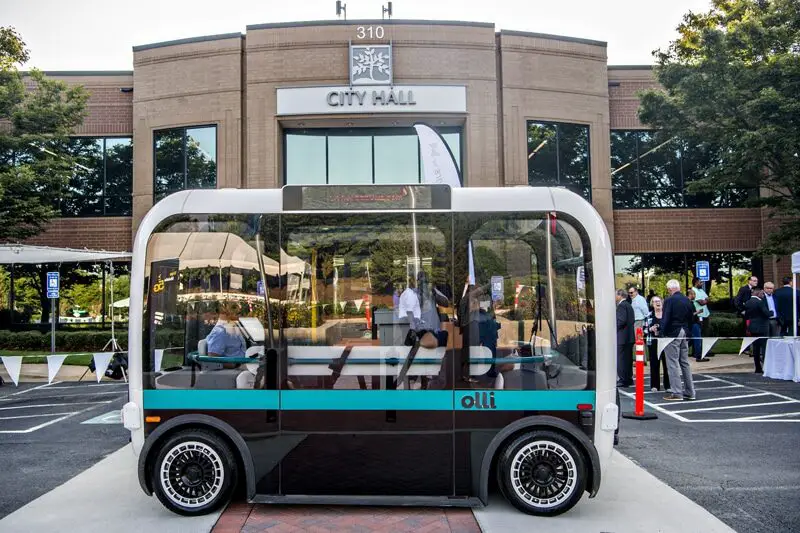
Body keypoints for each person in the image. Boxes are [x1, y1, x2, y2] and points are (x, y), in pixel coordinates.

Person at [661, 279, 696, 401]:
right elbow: (691, 318)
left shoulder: (669, 300)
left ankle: (677, 392)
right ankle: (690, 391)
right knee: (684, 362)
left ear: (670, 289)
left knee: (672, 363)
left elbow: (666, 318)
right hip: (684, 331)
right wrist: (689, 332)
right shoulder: (687, 300)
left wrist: (662, 332)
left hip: (673, 332)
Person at [645, 296, 670, 392]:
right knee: (654, 363)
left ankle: (668, 386)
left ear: (662, 303)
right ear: (652, 304)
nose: (657, 303)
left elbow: (671, 327)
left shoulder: (666, 315)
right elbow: (644, 329)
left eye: (659, 301)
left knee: (667, 364)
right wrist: (650, 329)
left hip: (665, 341)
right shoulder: (649, 315)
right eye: (655, 302)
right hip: (653, 342)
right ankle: (654, 385)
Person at [745, 289, 770, 374]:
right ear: (758, 293)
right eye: (762, 293)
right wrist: (771, 312)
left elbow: (746, 314)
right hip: (762, 327)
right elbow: (766, 313)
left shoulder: (748, 302)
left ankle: (757, 367)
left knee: (756, 348)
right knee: (764, 346)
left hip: (752, 326)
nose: (763, 295)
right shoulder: (760, 302)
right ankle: (766, 366)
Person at [616, 288, 635, 388]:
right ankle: (628, 378)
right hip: (629, 337)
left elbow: (621, 320)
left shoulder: (622, 305)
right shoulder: (629, 305)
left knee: (621, 359)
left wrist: (614, 328)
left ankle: (623, 379)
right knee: (628, 359)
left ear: (620, 295)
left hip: (622, 337)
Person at [687, 289, 709, 362]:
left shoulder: (689, 303)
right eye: (694, 294)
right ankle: (698, 356)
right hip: (693, 323)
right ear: (690, 295)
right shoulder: (689, 303)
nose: (695, 296)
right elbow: (690, 314)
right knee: (697, 339)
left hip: (691, 323)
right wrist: (698, 312)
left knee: (691, 339)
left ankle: (684, 352)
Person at [691, 278, 711, 350]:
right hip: (699, 316)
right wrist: (705, 300)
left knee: (706, 333)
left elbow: (708, 299)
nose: (702, 284)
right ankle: (697, 351)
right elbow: (701, 303)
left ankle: (704, 350)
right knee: (698, 334)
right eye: (700, 282)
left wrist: (705, 300)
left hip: (706, 314)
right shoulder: (693, 291)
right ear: (696, 283)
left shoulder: (701, 290)